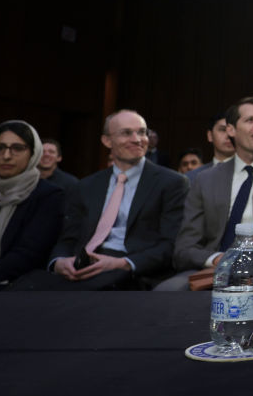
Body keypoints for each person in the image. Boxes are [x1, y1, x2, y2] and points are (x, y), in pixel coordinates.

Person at [10, 110, 188, 291]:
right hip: (84, 265)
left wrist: (122, 263)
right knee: (23, 288)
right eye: (126, 133)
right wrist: (59, 262)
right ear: (107, 141)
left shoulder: (171, 183)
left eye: (142, 132)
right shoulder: (86, 186)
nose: (137, 139)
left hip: (131, 271)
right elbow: (68, 238)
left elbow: (171, 244)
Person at [159, 97, 253, 290]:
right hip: (214, 269)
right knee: (166, 290)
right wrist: (217, 259)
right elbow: (184, 248)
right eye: (250, 120)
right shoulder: (206, 180)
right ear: (231, 130)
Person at [0, 121, 64, 290]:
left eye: (17, 148)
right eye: (0, 147)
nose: (6, 156)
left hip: (12, 289)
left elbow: (28, 255)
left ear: (33, 153)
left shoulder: (48, 195)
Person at [186, 112, 236, 181]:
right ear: (210, 135)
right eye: (222, 130)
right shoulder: (192, 177)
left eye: (233, 130)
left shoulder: (250, 173)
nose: (228, 135)